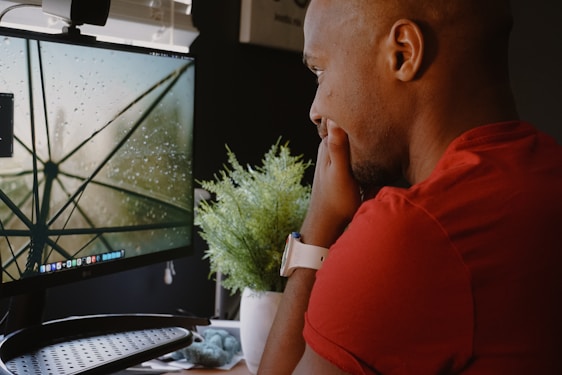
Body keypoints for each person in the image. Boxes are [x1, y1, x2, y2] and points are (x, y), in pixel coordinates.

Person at [258, 0, 562, 374]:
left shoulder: (412, 232)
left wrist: (319, 224)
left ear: (403, 53)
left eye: (320, 71)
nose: (315, 109)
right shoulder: (547, 174)